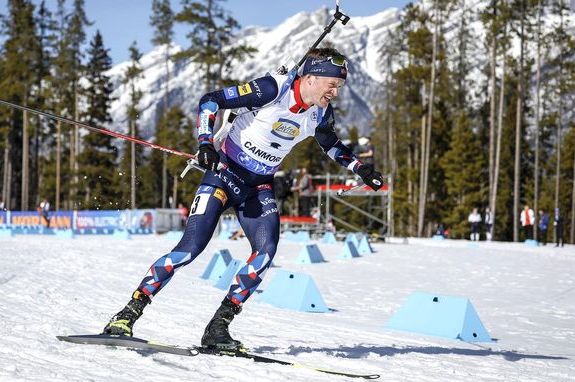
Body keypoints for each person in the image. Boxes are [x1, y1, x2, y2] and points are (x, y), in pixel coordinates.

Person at [101, 48, 384, 351]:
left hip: (259, 185)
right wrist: (206, 142)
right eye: (332, 84)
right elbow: (211, 99)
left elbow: (330, 143)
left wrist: (360, 168)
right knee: (190, 249)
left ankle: (218, 328)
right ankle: (127, 314)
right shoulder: (273, 89)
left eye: (339, 87)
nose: (335, 93)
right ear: (311, 77)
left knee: (265, 252)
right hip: (224, 175)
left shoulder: (320, 111)